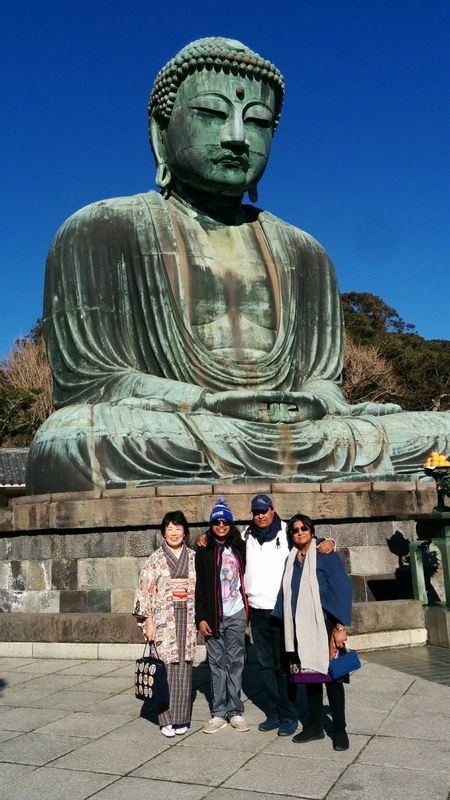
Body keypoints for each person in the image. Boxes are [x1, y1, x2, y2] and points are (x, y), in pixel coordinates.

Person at [27, 36, 450, 494]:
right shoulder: (100, 229)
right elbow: (92, 384)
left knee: (441, 433)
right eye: (211, 114)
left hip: (303, 435)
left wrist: (318, 404)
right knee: (72, 438)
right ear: (159, 131)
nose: (235, 136)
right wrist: (208, 402)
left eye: (258, 122)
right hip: (179, 427)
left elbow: (323, 382)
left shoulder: (305, 252)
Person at [244, 494, 334, 736]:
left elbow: (309, 539)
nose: (260, 515)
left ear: (273, 511)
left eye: (264, 511)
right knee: (264, 665)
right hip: (256, 609)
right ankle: (274, 712)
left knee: (284, 665)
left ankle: (289, 714)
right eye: (256, 512)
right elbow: (221, 540)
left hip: (281, 610)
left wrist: (330, 542)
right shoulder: (246, 534)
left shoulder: (286, 531)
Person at [272, 514, 352, 750]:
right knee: (310, 679)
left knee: (333, 679)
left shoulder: (325, 554)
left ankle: (340, 730)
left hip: (324, 625)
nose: (299, 532)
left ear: (312, 531)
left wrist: (339, 627)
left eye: (304, 528)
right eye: (295, 529)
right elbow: (284, 594)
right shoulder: (291, 558)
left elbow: (341, 588)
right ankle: (314, 726)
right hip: (298, 627)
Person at [132, 510, 196, 737]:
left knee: (183, 670)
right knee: (164, 670)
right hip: (162, 621)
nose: (174, 533)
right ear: (163, 533)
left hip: (186, 619)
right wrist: (147, 622)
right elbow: (144, 592)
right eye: (170, 528)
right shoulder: (155, 560)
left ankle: (181, 718)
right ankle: (165, 719)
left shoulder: (193, 557)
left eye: (178, 528)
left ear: (185, 532)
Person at [195, 499, 249, 734]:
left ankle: (235, 711)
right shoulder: (204, 550)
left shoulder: (240, 547)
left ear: (230, 523)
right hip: (214, 616)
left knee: (235, 662)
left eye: (225, 521)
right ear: (211, 525)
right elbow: (199, 587)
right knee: (217, 664)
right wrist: (201, 618)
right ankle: (218, 712)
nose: (221, 525)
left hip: (236, 612)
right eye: (216, 522)